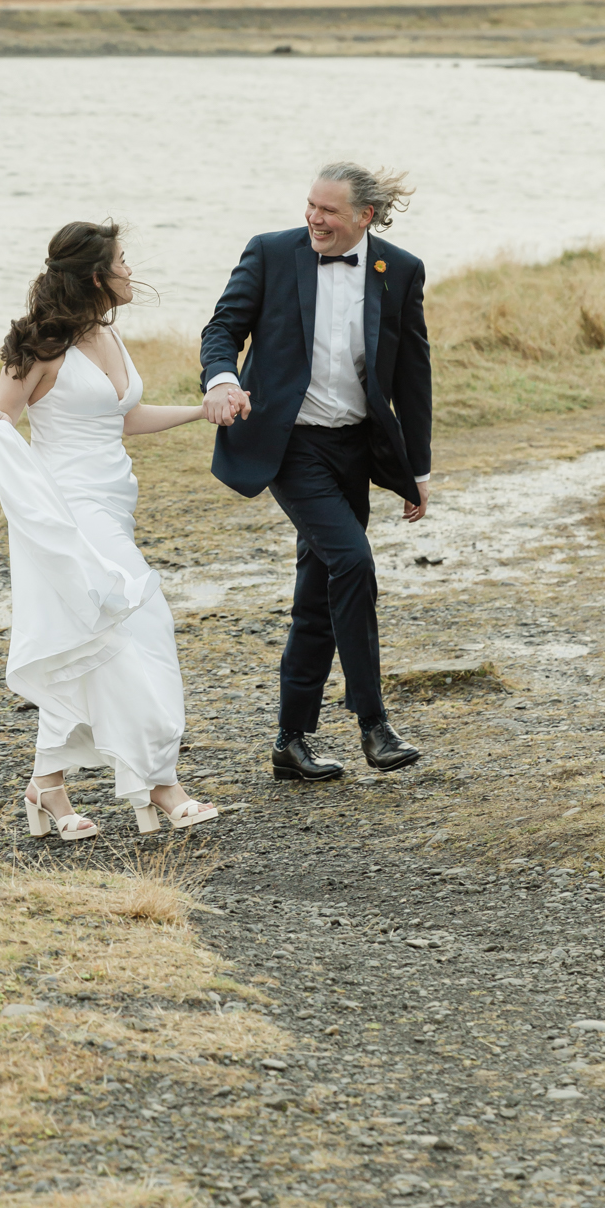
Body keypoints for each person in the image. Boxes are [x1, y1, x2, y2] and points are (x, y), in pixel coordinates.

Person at [0, 219, 218, 841]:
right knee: (137, 624)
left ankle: (47, 786)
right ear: (95, 275)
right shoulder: (38, 348)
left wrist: (202, 412)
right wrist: (30, 504)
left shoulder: (108, 337)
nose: (131, 271)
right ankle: (159, 785)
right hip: (69, 511)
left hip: (113, 505)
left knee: (84, 640)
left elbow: (126, 417)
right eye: (122, 261)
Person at [199, 164, 432, 783]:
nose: (314, 218)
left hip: (354, 449)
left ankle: (291, 740)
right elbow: (222, 328)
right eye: (310, 205)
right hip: (288, 445)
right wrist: (222, 380)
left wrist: (419, 469)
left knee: (320, 588)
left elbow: (413, 374)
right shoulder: (272, 253)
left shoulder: (400, 270)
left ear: (365, 217)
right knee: (352, 562)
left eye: (329, 210)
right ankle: (373, 724)